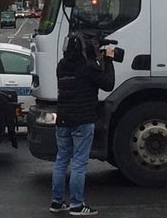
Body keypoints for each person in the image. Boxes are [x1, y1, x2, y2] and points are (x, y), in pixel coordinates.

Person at [50, 35, 115, 216]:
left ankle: (56, 202)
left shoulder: (61, 67)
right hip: (83, 120)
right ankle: (77, 205)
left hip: (63, 119)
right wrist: (108, 60)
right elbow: (108, 84)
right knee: (79, 163)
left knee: (61, 160)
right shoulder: (88, 68)